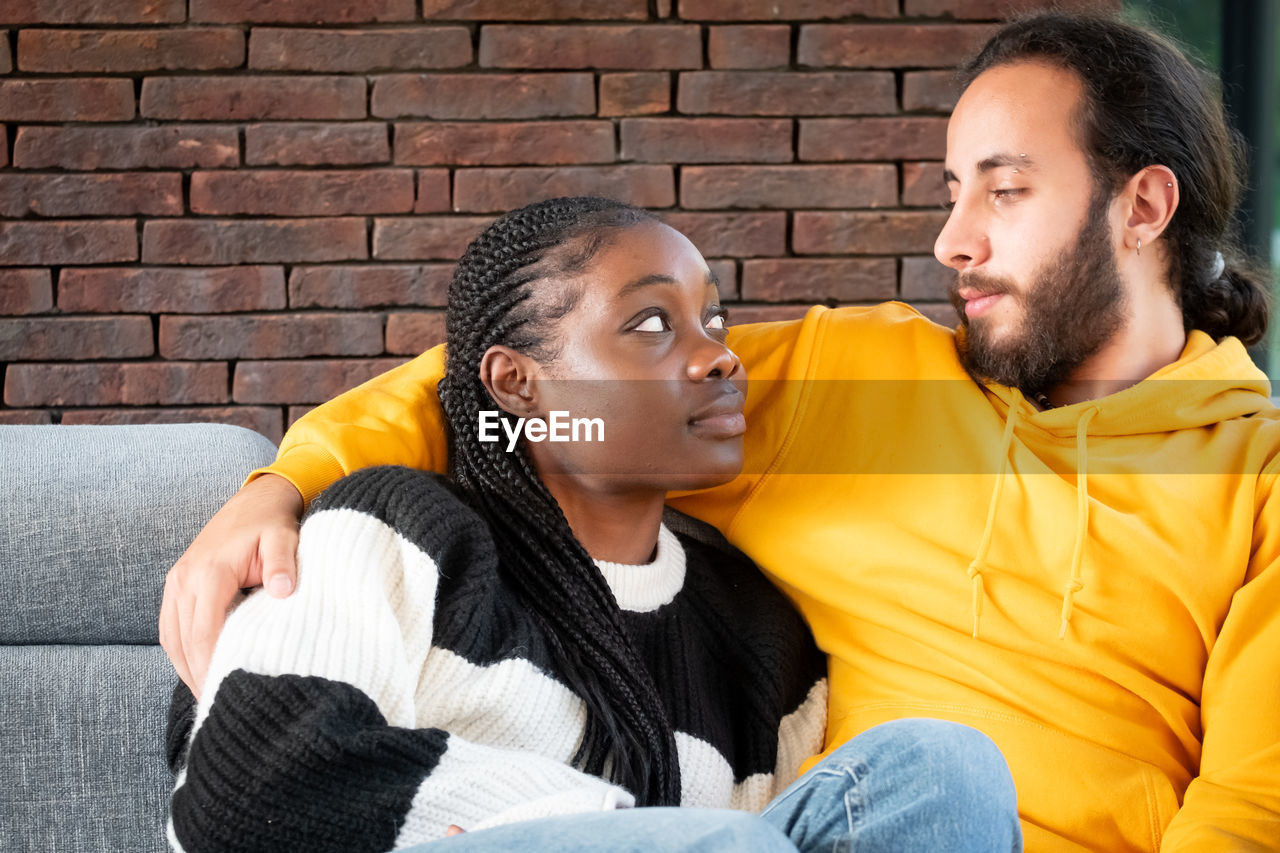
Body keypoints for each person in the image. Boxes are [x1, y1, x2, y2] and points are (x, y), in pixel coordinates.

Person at [161, 12, 1280, 850]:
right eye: (950, 191)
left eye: (1003, 192)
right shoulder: (864, 378)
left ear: (1140, 208)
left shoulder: (1257, 479)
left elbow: (1248, 804)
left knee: (948, 771)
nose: (951, 239)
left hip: (912, 814)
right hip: (803, 837)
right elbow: (530, 399)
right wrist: (284, 482)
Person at [165, 197, 1022, 852]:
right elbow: (246, 788)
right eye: (651, 324)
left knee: (945, 768)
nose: (722, 354)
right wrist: (585, 828)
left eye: (714, 320)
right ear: (517, 384)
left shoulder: (757, 631)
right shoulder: (396, 530)